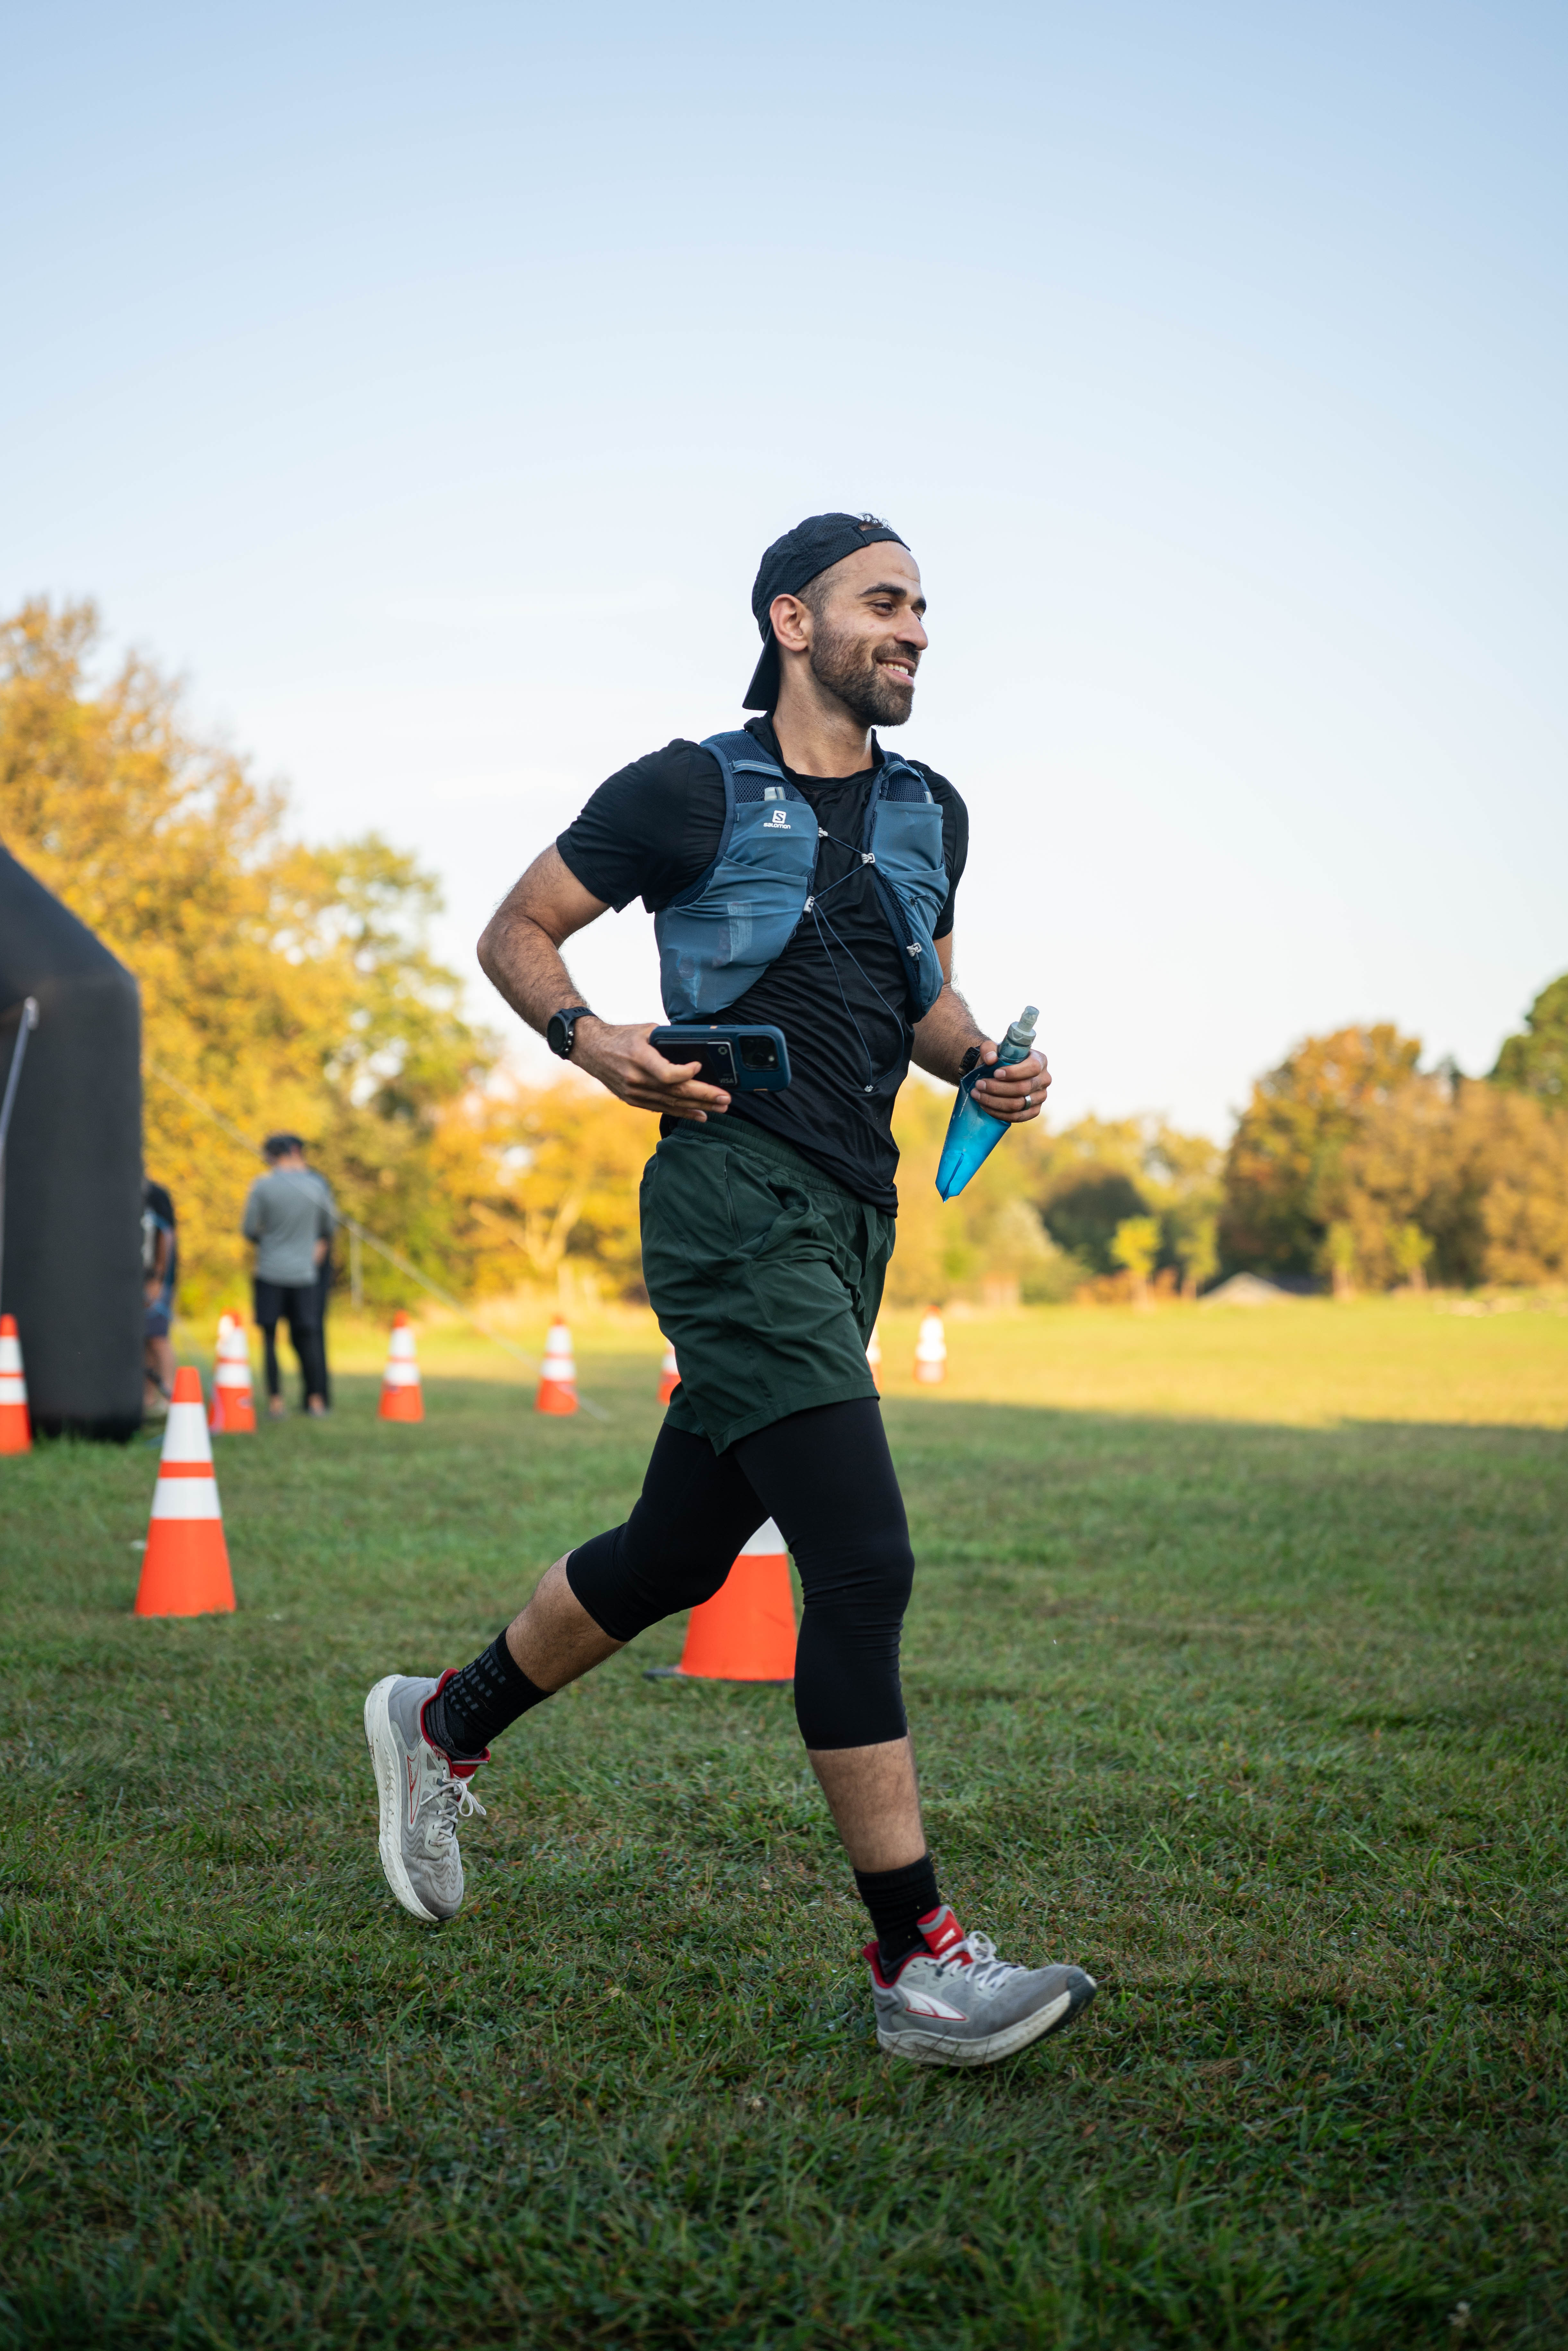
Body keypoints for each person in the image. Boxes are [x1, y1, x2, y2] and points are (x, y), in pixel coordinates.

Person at [364, 512, 1098, 2067]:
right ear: (791, 620)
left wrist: (981, 1058)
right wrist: (590, 1041)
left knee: (676, 1552)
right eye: (883, 601)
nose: (913, 629)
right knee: (862, 1566)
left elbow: (919, 991)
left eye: (922, 607)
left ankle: (441, 1722)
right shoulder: (683, 788)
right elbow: (516, 928)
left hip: (850, 1219)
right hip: (729, 1201)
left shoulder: (932, 809)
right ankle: (918, 1966)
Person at [242, 1134, 335, 1418]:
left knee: (270, 1339)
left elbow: (249, 1229)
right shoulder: (317, 1186)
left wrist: (270, 1242)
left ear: (271, 1155)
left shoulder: (262, 1186)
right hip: (305, 1274)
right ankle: (316, 1400)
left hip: (270, 1272)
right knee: (308, 1336)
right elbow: (329, 1227)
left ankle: (276, 1402)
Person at [141, 1176, 178, 1415]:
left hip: (157, 1280)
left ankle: (169, 1395)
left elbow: (167, 1235)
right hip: (135, 1281)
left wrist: (158, 1277)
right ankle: (148, 1398)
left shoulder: (155, 1194)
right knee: (144, 1340)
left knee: (158, 1338)